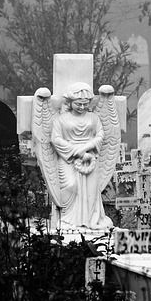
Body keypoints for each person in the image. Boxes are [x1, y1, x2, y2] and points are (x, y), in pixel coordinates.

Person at [48, 82, 113, 229]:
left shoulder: (93, 118)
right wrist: (76, 152)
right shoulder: (61, 119)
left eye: (85, 104)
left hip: (89, 157)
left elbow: (100, 136)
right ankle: (69, 220)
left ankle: (90, 220)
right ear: (70, 102)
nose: (82, 107)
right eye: (78, 104)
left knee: (91, 191)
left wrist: (85, 149)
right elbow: (55, 139)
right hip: (68, 158)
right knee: (70, 185)